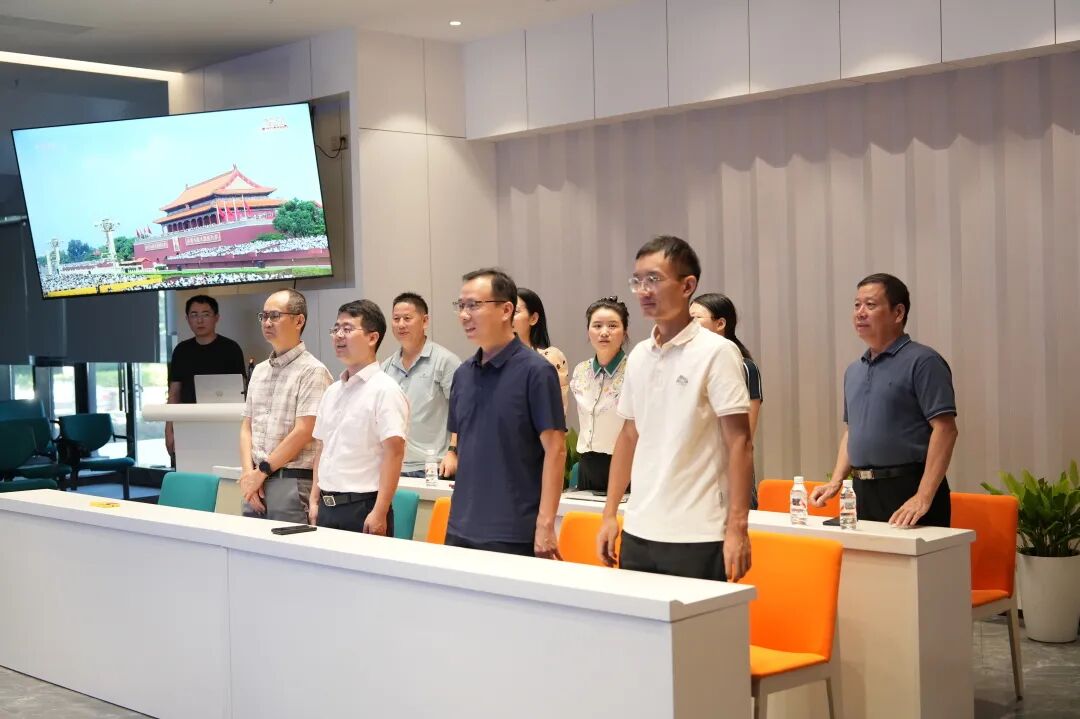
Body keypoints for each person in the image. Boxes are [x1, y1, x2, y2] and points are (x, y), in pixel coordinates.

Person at [596, 236, 754, 582]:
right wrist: (610, 513)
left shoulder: (717, 352)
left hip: (698, 533)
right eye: (637, 281)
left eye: (654, 279)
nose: (643, 290)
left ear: (687, 286)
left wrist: (737, 527)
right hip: (639, 527)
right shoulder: (639, 355)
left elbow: (740, 442)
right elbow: (629, 436)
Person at [810, 273, 958, 527]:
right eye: (856, 305)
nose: (860, 313)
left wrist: (923, 496)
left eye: (870, 305)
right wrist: (836, 481)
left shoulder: (924, 362)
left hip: (908, 488)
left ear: (898, 313)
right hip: (863, 491)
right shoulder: (854, 370)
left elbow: (945, 430)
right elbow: (853, 431)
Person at [446, 268, 566, 558]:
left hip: (513, 531)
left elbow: (556, 450)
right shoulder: (462, 374)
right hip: (460, 527)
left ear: (506, 310)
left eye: (474, 305)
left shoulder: (537, 372)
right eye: (461, 306)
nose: (464, 315)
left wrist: (546, 524)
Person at [308, 300, 408, 536]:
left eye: (347, 329)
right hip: (326, 506)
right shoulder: (332, 391)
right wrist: (314, 498)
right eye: (336, 329)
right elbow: (322, 448)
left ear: (372, 338)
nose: (338, 335)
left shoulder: (385, 390)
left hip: (364, 507)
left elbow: (394, 453)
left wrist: (380, 511)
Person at [239, 289, 332, 522]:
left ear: (299, 321)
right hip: (255, 483)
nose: (267, 322)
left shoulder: (313, 370)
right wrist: (249, 475)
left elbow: (304, 431)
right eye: (263, 316)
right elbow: (246, 427)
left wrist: (262, 472)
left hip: (291, 480)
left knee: (289, 545)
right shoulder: (259, 370)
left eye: (275, 316)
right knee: (247, 544)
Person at [690, 293, 763, 507]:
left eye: (695, 319)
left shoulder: (745, 367)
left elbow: (744, 436)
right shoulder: (688, 367)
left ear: (720, 323)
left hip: (728, 475)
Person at [381, 292, 461, 478]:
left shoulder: (445, 361)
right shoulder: (386, 367)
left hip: (434, 465)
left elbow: (461, 411)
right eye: (396, 319)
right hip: (395, 465)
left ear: (425, 321)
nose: (401, 324)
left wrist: (453, 451)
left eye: (407, 318)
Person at [166, 294, 245, 464]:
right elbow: (174, 393)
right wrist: (169, 430)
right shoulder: (181, 351)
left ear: (216, 317)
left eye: (205, 314)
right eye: (194, 315)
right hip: (187, 424)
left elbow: (241, 391)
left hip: (225, 425)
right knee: (189, 470)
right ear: (187, 319)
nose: (200, 320)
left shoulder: (231, 349)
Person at [568, 296, 629, 493]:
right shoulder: (580, 370)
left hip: (625, 465)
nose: (604, 332)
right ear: (588, 331)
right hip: (587, 465)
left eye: (612, 326)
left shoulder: (635, 370)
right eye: (597, 326)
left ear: (624, 331)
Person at [513, 287, 570, 412]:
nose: (508, 316)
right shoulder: (496, 357)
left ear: (533, 318)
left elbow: (557, 409)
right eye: (505, 310)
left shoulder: (550, 357)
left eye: (515, 311)